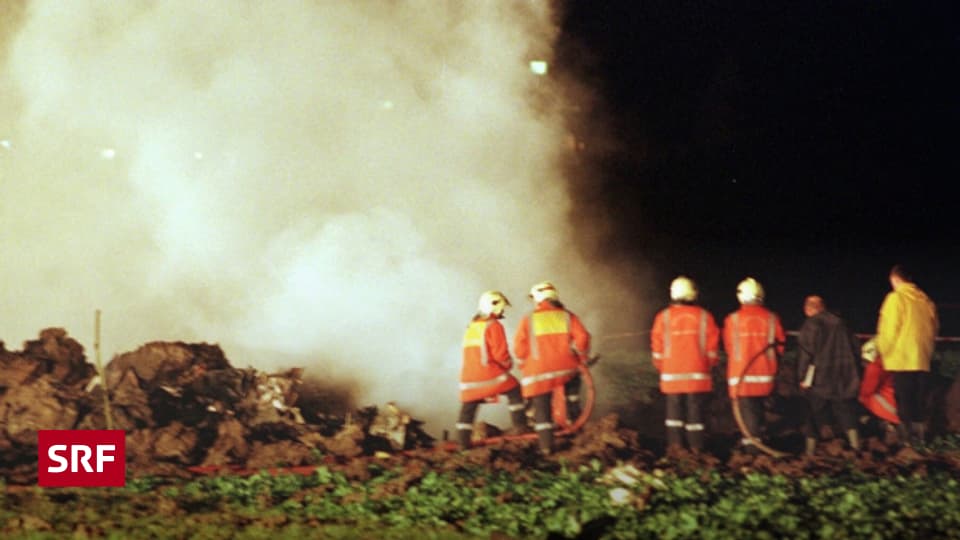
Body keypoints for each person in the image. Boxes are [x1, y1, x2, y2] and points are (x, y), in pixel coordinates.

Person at [513, 281, 591, 455]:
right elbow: (583, 338)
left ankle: (546, 447)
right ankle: (576, 430)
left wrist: (523, 364)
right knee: (573, 394)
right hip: (566, 369)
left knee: (541, 408)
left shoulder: (528, 319)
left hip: (538, 372)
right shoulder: (567, 316)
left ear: (538, 300)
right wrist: (581, 358)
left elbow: (519, 347)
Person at [650, 276, 719, 453]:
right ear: (693, 294)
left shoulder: (663, 317)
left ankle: (675, 447)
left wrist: (662, 366)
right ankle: (697, 448)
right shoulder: (705, 316)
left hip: (671, 374)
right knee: (695, 411)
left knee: (673, 412)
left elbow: (657, 347)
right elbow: (712, 347)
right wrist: (708, 365)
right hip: (698, 374)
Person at [875, 264, 938, 446]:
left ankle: (906, 441)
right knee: (918, 399)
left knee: (903, 398)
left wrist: (882, 350)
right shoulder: (925, 300)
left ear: (895, 279)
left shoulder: (896, 299)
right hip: (922, 358)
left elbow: (889, 329)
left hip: (902, 358)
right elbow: (934, 328)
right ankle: (920, 438)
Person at [456, 291, 527, 449]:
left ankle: (462, 444)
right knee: (515, 389)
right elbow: (500, 354)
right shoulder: (494, 326)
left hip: (467, 379)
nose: (503, 312)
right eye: (502, 308)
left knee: (468, 408)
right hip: (488, 374)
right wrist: (508, 365)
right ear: (495, 308)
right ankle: (521, 428)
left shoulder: (472, 326)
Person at [722, 277, 785, 454]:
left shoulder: (732, 320)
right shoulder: (772, 318)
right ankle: (760, 440)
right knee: (759, 409)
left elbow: (728, 347)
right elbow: (780, 346)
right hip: (766, 375)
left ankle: (753, 451)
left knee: (748, 412)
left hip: (741, 377)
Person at [795, 295, 862, 455]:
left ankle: (809, 452)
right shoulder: (842, 323)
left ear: (808, 309)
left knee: (812, 412)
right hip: (844, 377)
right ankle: (856, 447)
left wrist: (802, 377)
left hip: (820, 377)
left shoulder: (811, 324)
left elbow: (806, 354)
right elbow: (856, 349)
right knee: (845, 410)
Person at [858, 337, 900, 429]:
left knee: (863, 398)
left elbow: (867, 391)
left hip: (892, 407)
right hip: (899, 400)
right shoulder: (892, 360)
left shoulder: (875, 367)